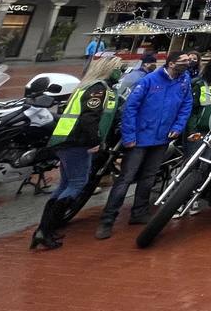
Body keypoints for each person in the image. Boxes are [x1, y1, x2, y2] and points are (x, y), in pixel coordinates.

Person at [96, 51, 194, 239]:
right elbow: (131, 107)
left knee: (148, 177)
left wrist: (178, 126)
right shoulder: (149, 80)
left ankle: (139, 213)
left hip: (162, 137)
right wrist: (129, 135)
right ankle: (107, 220)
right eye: (183, 61)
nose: (187, 64)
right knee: (126, 178)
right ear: (171, 63)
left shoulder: (183, 81)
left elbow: (186, 105)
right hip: (140, 137)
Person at [31, 56, 125, 249]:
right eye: (119, 69)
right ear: (110, 69)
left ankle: (46, 229)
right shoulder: (98, 89)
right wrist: (95, 141)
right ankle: (44, 230)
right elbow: (89, 119)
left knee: (65, 184)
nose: (121, 73)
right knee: (77, 183)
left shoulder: (86, 86)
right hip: (77, 142)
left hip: (65, 140)